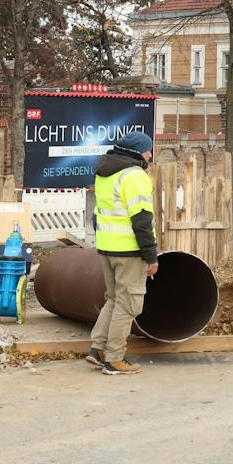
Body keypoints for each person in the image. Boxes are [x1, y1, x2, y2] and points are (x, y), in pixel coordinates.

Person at [86, 131, 158, 375]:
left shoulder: (105, 172)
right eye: (149, 150)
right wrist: (151, 256)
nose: (151, 155)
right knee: (128, 305)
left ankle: (97, 350)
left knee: (114, 299)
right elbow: (141, 220)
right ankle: (114, 359)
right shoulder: (134, 176)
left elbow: (97, 215)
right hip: (129, 249)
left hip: (107, 247)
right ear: (140, 152)